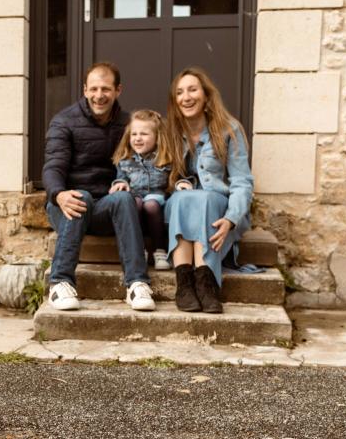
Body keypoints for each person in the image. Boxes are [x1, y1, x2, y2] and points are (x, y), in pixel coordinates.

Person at [42, 62, 156, 312]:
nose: (99, 95)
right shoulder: (64, 121)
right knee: (80, 196)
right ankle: (59, 283)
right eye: (93, 89)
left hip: (105, 205)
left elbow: (146, 158)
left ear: (118, 90)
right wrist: (58, 194)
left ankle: (137, 283)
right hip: (67, 205)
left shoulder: (128, 124)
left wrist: (127, 183)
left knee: (124, 199)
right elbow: (53, 167)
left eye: (106, 89)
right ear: (85, 90)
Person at [163, 67, 254, 314]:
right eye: (180, 92)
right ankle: (185, 283)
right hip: (181, 207)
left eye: (193, 90)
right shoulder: (169, 131)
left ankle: (205, 283)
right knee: (183, 198)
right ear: (175, 100)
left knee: (203, 200)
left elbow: (242, 181)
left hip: (218, 206)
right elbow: (157, 176)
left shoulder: (228, 128)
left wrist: (232, 218)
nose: (186, 97)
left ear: (205, 96)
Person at [109, 109, 174, 271]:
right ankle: (139, 251)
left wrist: (181, 185)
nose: (137, 138)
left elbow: (175, 180)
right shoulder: (125, 158)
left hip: (157, 199)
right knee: (135, 203)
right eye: (134, 134)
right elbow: (121, 177)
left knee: (150, 204)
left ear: (157, 137)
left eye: (144, 134)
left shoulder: (165, 158)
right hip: (136, 195)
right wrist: (120, 183)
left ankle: (160, 250)